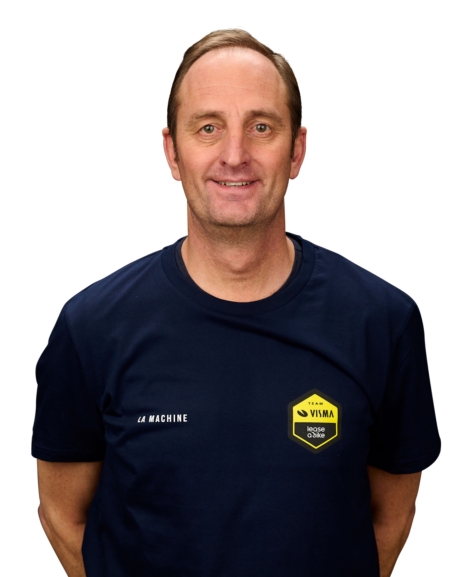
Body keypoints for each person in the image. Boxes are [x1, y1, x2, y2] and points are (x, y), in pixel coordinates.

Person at [32, 29, 440, 577]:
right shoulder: (91, 329)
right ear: (172, 152)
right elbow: (62, 515)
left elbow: (391, 517)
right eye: (208, 128)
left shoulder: (381, 323)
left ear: (296, 150)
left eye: (261, 127)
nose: (234, 155)